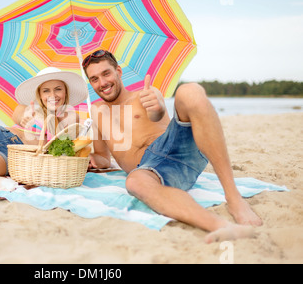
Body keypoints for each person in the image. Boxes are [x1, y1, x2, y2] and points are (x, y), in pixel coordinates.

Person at [82, 50, 262, 243]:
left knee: (188, 91)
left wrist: (157, 107)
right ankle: (222, 227)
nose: (102, 83)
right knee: (134, 183)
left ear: (118, 71)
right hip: (153, 171)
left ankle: (234, 198)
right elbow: (102, 157)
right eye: (94, 79)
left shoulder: (145, 94)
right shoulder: (96, 111)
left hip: (176, 147)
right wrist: (92, 161)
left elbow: (157, 113)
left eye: (106, 73)